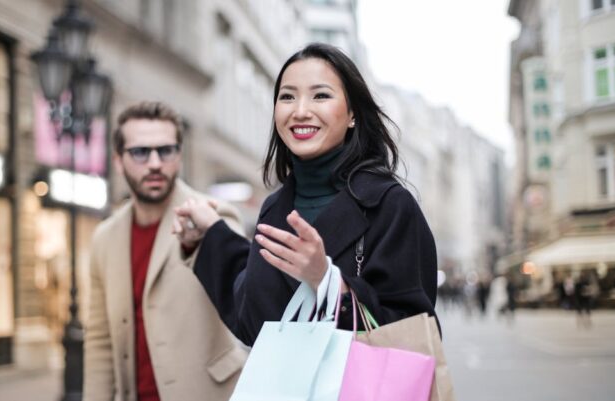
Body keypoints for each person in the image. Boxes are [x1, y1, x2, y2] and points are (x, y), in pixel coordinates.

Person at [173, 43, 438, 346]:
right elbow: (250, 320)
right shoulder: (275, 207)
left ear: (353, 114)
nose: (300, 111)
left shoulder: (389, 205)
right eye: (287, 97)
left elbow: (415, 335)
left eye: (320, 95)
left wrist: (327, 280)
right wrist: (210, 237)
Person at [84, 102, 247, 401]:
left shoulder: (213, 215)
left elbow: (246, 298)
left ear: (179, 156)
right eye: (141, 152)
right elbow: (99, 339)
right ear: (118, 161)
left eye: (166, 150)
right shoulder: (104, 238)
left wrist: (204, 241)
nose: (155, 162)